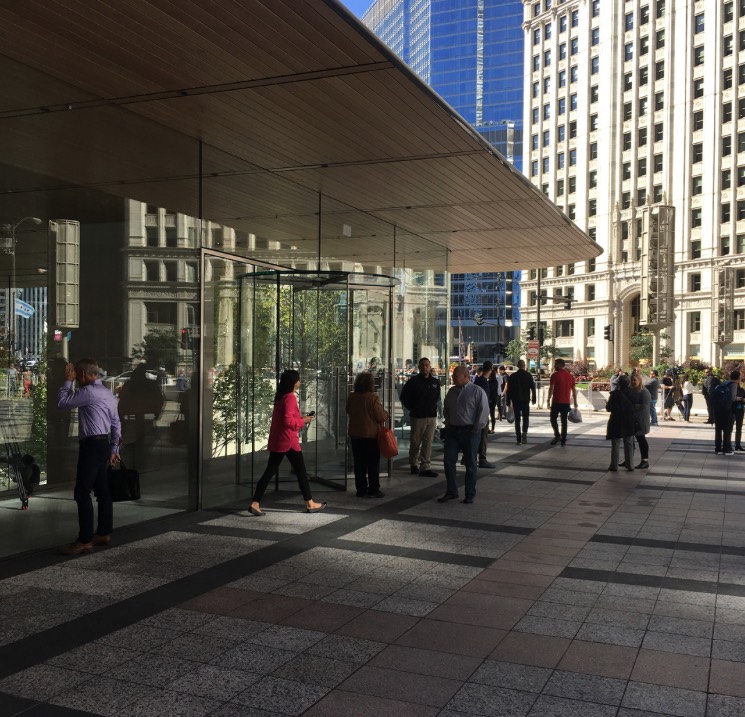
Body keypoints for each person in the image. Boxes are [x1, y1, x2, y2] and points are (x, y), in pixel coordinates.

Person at [57, 358, 121, 555]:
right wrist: (114, 448)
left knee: (82, 492)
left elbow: (62, 403)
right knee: (102, 491)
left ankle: (84, 540)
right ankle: (103, 533)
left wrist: (67, 381)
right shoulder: (108, 393)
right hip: (104, 444)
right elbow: (116, 423)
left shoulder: (88, 392)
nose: (75, 377)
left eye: (76, 374)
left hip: (91, 446)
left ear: (83, 374)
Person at [248, 370, 326, 516]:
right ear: (294, 382)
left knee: (270, 471)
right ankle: (310, 504)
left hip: (279, 440)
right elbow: (288, 421)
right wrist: (303, 421)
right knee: (301, 472)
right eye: (298, 379)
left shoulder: (281, 397)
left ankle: (255, 502)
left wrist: (301, 418)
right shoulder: (290, 397)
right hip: (288, 441)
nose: (300, 382)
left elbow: (286, 418)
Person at [438, 365, 490, 504]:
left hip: (470, 431)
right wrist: (448, 422)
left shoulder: (477, 391)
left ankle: (470, 493)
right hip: (453, 431)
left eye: (456, 376)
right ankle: (451, 491)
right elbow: (446, 408)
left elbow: (483, 411)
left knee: (470, 463)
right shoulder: (451, 391)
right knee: (448, 461)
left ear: (466, 376)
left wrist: (477, 427)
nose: (453, 378)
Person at [346, 371, 388, 498]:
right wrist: (386, 413)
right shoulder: (373, 398)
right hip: (370, 435)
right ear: (370, 384)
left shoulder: (352, 397)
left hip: (355, 435)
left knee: (359, 463)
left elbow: (348, 410)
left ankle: (361, 489)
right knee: (372, 464)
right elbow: (380, 417)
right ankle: (374, 489)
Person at [399, 357, 440, 478]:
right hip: (418, 417)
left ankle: (425, 466)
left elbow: (437, 398)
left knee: (428, 442)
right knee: (415, 442)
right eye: (422, 365)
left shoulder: (435, 382)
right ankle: (413, 464)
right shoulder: (413, 382)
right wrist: (414, 408)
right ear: (419, 367)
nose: (424, 367)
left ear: (430, 366)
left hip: (431, 416)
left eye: (427, 365)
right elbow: (404, 397)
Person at [606, 374, 637, 471]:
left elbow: (608, 408)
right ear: (628, 383)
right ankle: (630, 465)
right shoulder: (633, 393)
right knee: (629, 443)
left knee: (615, 443)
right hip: (628, 420)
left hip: (616, 420)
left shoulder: (614, 394)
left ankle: (614, 465)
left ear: (619, 383)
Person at [502, 359, 536, 444]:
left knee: (517, 419)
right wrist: (534, 398)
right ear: (524, 366)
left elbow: (509, 390)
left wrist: (508, 400)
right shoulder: (528, 375)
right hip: (525, 400)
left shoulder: (513, 376)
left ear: (517, 366)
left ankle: (518, 438)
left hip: (516, 400)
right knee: (525, 418)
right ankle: (524, 432)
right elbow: (533, 387)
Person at [548, 358, 578, 446]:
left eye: (555, 364)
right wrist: (575, 402)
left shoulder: (555, 375)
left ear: (560, 365)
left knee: (553, 419)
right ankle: (563, 439)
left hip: (556, 402)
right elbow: (574, 391)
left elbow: (551, 388)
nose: (554, 366)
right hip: (566, 402)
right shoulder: (570, 376)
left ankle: (557, 435)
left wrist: (548, 399)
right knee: (564, 421)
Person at [474, 361, 495, 468]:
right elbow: (484, 400)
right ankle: (482, 459)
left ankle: (468, 457)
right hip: (482, 413)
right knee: (483, 437)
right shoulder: (484, 382)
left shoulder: (477, 380)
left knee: (475, 436)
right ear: (491, 369)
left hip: (475, 412)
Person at [713, 370, 741, 455]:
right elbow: (733, 398)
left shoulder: (724, 383)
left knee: (718, 429)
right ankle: (726, 449)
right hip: (727, 410)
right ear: (738, 378)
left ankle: (718, 448)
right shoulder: (733, 384)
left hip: (718, 409)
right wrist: (739, 398)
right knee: (727, 429)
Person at [629, 373, 651, 469]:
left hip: (641, 420)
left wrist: (632, 406)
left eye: (635, 380)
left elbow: (644, 406)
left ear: (639, 381)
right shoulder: (630, 390)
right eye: (632, 380)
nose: (633, 382)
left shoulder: (644, 392)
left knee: (641, 439)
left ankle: (645, 460)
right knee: (630, 440)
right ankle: (629, 458)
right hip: (632, 419)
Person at [735, 377, 745, 452]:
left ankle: (738, 445)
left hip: (740, 409)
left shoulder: (742, 390)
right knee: (728, 428)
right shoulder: (729, 389)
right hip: (731, 410)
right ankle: (727, 445)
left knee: (739, 428)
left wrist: (742, 399)